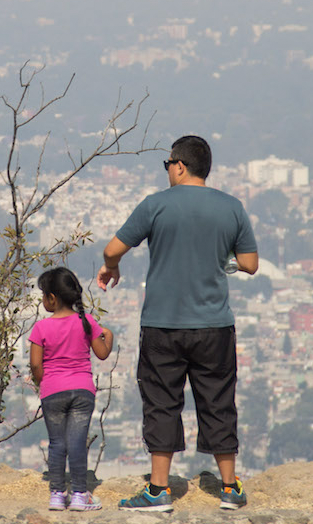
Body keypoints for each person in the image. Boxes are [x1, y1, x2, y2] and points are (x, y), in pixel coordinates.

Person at [97, 135, 258, 513]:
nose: (167, 170)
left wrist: (112, 267)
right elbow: (250, 264)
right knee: (218, 400)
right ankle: (230, 488)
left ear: (180, 165)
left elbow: (111, 249)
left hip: (162, 325)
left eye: (167, 164)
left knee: (162, 402)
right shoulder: (231, 208)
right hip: (214, 324)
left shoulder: (156, 205)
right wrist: (221, 260)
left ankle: (158, 492)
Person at [29, 267, 115, 512]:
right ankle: (79, 494)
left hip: (52, 391)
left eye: (44, 295)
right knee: (77, 442)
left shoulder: (41, 328)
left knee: (57, 443)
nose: (43, 299)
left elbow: (36, 364)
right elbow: (102, 352)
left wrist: (43, 382)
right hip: (82, 391)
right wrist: (109, 335)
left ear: (52, 298)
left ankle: (57, 494)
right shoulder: (86, 322)